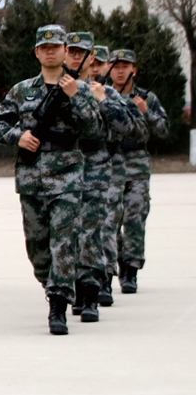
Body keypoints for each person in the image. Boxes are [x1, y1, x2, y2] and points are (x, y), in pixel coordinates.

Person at [0, 25, 101, 335]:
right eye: (44, 47)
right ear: (37, 52)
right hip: (31, 176)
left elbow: (94, 128)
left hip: (67, 175)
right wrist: (18, 136)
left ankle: (58, 305)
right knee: (37, 248)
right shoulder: (22, 90)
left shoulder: (80, 89)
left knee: (62, 241)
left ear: (65, 51)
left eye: (56, 46)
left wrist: (75, 96)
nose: (50, 51)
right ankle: (53, 284)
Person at [63, 33, 142, 322]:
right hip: (63, 169)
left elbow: (128, 128)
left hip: (97, 168)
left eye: (83, 53)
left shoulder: (106, 93)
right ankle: (73, 285)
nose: (77, 57)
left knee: (96, 230)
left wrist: (103, 101)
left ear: (93, 59)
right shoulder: (55, 89)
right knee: (68, 233)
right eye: (72, 51)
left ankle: (95, 287)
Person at [107, 48, 170, 294]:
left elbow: (164, 130)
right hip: (110, 165)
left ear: (134, 70)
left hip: (137, 166)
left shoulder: (147, 97)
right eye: (116, 66)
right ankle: (117, 263)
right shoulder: (104, 94)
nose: (120, 71)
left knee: (135, 220)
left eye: (125, 66)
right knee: (110, 220)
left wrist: (146, 112)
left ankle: (131, 270)